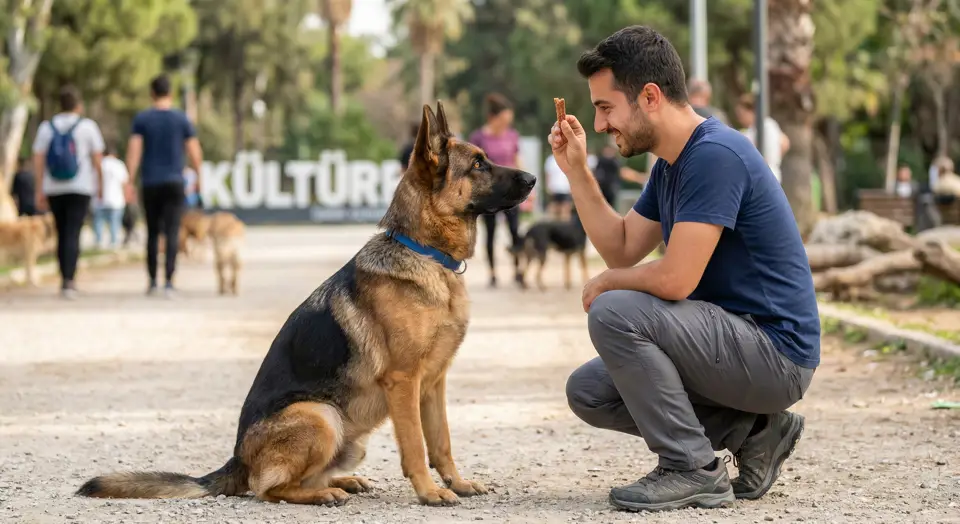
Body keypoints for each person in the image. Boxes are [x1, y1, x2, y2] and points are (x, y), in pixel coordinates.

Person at [550, 26, 819, 512]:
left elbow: (675, 279)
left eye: (606, 107)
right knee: (589, 391)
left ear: (649, 96)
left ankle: (691, 468)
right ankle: (757, 431)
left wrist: (609, 283)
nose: (600, 123)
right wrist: (577, 172)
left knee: (615, 312)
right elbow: (623, 247)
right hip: (733, 346)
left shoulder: (714, 155)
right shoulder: (671, 164)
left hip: (776, 351)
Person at [126, 74, 203, 297]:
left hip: (150, 182)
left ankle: (152, 281)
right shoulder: (181, 119)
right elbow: (195, 152)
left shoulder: (142, 119)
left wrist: (130, 180)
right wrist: (199, 179)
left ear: (152, 93)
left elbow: (134, 152)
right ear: (171, 93)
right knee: (172, 232)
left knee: (151, 232)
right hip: (174, 182)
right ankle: (169, 281)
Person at [32, 85, 105, 299]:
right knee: (73, 232)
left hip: (54, 187)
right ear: (79, 105)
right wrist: (99, 184)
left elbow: (38, 159)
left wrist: (39, 189)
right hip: (80, 187)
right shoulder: (88, 127)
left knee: (61, 232)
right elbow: (97, 159)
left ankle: (63, 276)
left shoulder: (47, 127)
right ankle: (69, 280)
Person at [469, 93, 524, 288]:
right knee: (490, 232)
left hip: (511, 191)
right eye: (503, 119)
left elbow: (517, 161)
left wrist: (527, 189)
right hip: (489, 192)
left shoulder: (512, 135)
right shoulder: (478, 137)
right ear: (493, 118)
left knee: (515, 231)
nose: (506, 123)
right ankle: (492, 273)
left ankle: (518, 269)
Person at [735, 94, 790, 183]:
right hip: (773, 174)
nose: (740, 119)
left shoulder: (759, 128)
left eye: (741, 114)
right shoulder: (770, 123)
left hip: (763, 177)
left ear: (750, 111)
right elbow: (785, 142)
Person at [92, 146, 130, 249]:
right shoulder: (119, 165)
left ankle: (98, 241)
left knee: (99, 222)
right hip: (116, 199)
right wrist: (127, 196)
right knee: (115, 222)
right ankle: (114, 242)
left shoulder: (99, 164)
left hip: (100, 199)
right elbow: (124, 182)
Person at [592, 141, 647, 212]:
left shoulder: (600, 161)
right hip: (608, 191)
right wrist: (640, 178)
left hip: (600, 191)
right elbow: (623, 172)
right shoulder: (612, 161)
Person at [544, 154, 573, 220]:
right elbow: (548, 174)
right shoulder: (550, 159)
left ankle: (563, 228)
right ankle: (552, 227)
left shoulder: (568, 158)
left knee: (565, 209)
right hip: (554, 188)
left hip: (566, 188)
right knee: (553, 208)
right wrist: (548, 186)